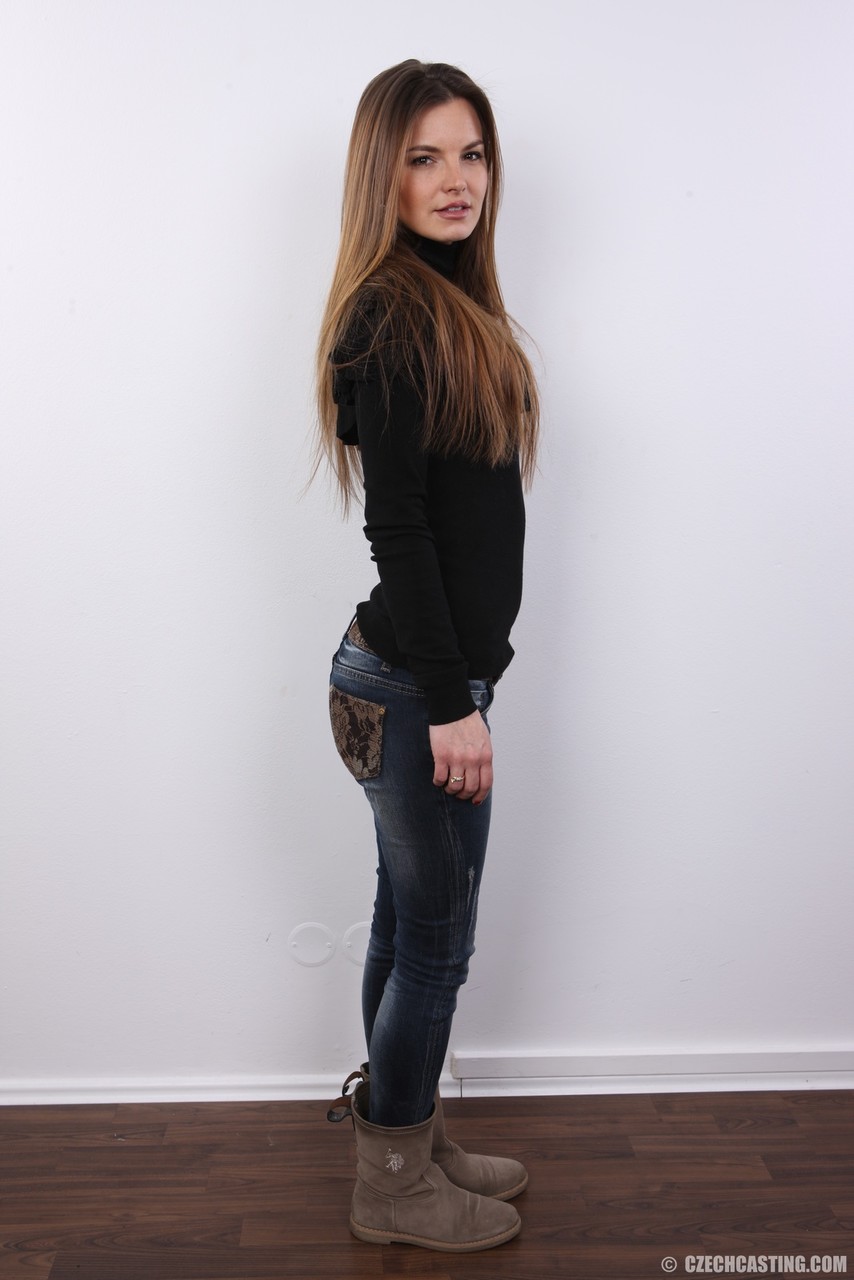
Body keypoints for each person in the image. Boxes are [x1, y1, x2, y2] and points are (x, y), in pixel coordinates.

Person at [315, 59, 540, 1253]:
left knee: (406, 927)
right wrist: (454, 705)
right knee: (436, 944)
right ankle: (393, 1182)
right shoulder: (396, 315)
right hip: (412, 691)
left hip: (403, 681)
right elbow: (397, 528)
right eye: (423, 158)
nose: (457, 179)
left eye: (471, 152)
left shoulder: (446, 299)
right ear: (382, 176)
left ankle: (406, 1131)